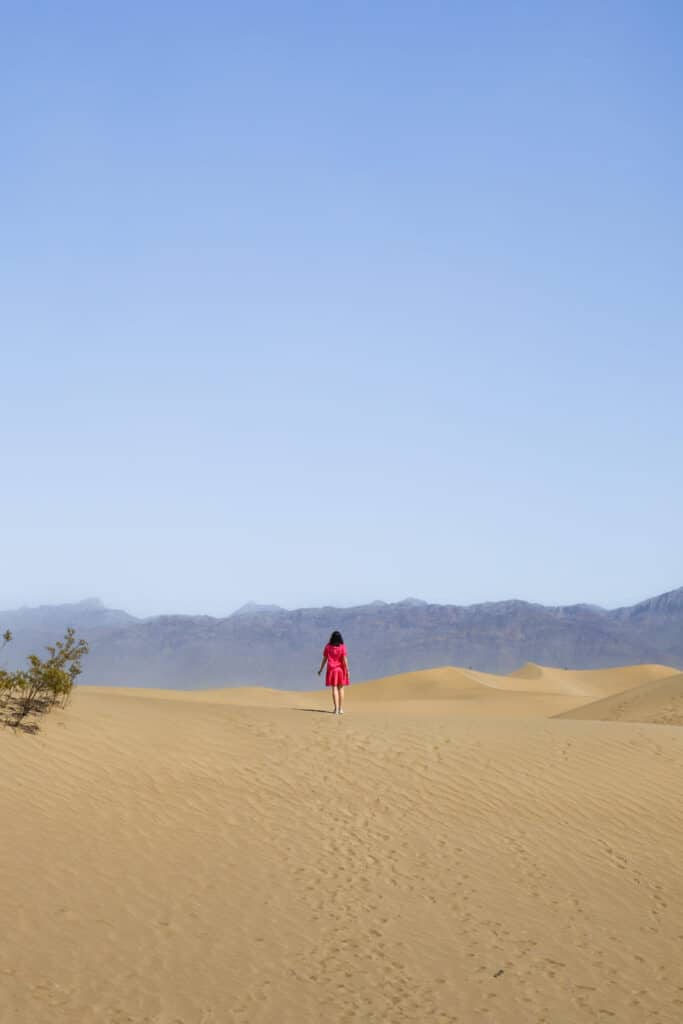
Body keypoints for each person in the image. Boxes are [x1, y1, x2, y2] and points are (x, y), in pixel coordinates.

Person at [317, 630, 349, 715]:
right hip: (341, 670)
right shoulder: (342, 647)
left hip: (331, 670)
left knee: (334, 688)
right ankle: (341, 709)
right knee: (341, 688)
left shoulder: (328, 647)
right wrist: (348, 670)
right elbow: (345, 659)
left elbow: (324, 659)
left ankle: (336, 709)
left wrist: (320, 669)